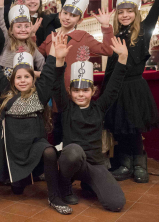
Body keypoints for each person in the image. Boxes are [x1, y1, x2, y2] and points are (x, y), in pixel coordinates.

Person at [0, 43, 73, 215]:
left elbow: (49, 73)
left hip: (35, 144)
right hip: (15, 150)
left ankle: (54, 197)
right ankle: (20, 180)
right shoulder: (7, 94)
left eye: (27, 77)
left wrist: (53, 54)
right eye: (19, 77)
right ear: (13, 80)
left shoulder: (40, 94)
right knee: (17, 190)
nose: (23, 80)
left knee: (49, 152)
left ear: (33, 79)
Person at [53, 35, 127, 212]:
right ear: (70, 92)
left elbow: (114, 88)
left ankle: (89, 184)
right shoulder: (66, 107)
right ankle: (64, 185)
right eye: (76, 90)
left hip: (94, 164)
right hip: (71, 160)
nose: (80, 94)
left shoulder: (99, 107)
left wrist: (122, 59)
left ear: (93, 91)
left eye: (85, 90)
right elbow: (55, 85)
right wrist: (59, 60)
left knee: (116, 203)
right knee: (73, 151)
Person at [38, 0, 115, 144]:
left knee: (76, 134)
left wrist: (106, 26)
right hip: (55, 95)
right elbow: (36, 56)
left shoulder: (83, 37)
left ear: (79, 19)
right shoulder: (50, 37)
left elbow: (107, 50)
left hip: (77, 95)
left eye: (73, 15)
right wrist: (31, 36)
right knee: (57, 132)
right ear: (60, 14)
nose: (67, 17)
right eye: (65, 13)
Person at [103, 0, 159, 183]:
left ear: (136, 13)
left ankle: (139, 164)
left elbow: (156, 8)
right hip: (118, 88)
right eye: (121, 11)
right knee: (122, 128)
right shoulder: (116, 35)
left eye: (129, 11)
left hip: (135, 88)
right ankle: (125, 164)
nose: (125, 15)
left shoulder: (144, 29)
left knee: (134, 128)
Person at [3, 0, 71, 47]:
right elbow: (3, 14)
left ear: (39, 0)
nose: (32, 1)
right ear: (23, 1)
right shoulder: (15, 19)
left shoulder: (48, 19)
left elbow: (67, 14)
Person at [0, 0, 44, 76]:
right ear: (11, 30)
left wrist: (35, 74)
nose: (23, 29)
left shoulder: (32, 48)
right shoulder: (7, 40)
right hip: (5, 85)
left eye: (26, 26)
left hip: (25, 85)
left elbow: (44, 68)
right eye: (18, 26)